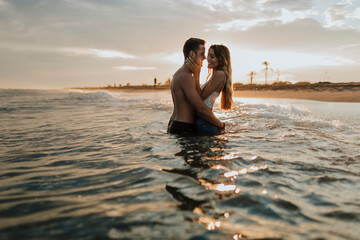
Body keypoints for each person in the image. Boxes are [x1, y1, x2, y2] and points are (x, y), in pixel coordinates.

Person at [167, 38, 225, 135]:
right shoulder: (186, 77)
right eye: (202, 54)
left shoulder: (180, 73)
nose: (204, 58)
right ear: (192, 54)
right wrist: (221, 125)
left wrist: (197, 74)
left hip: (175, 123)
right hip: (183, 128)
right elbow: (201, 109)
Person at [187, 44, 233, 135]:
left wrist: (197, 74)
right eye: (208, 55)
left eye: (212, 56)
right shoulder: (214, 75)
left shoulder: (220, 74)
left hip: (205, 124)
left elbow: (199, 98)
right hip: (203, 122)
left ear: (221, 60)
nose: (208, 59)